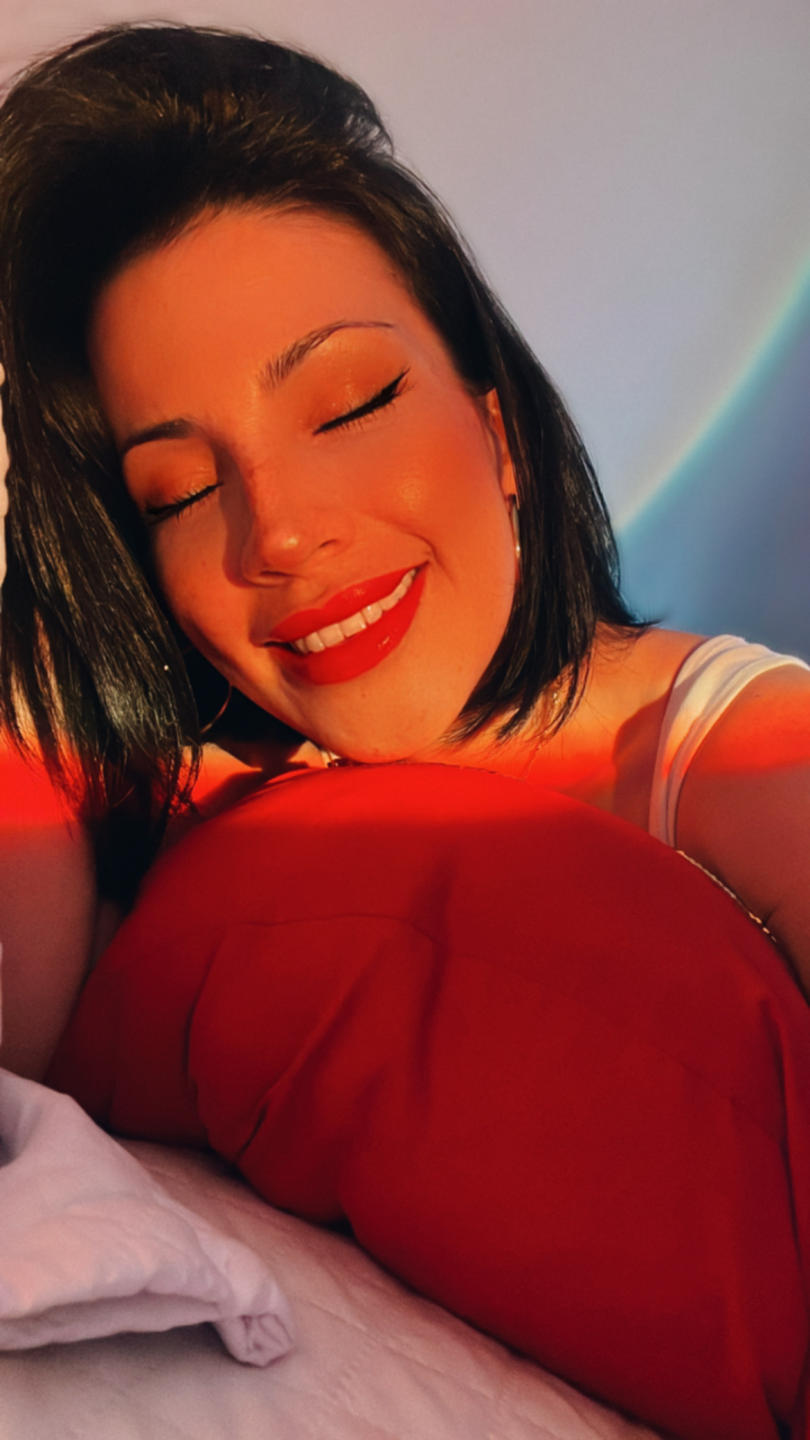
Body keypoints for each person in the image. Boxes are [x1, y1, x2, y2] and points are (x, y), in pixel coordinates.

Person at [0, 24, 809, 1440]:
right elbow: (23, 1052)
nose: (279, 531)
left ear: (499, 433)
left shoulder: (748, 759)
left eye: (351, 404)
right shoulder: (205, 779)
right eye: (180, 491)